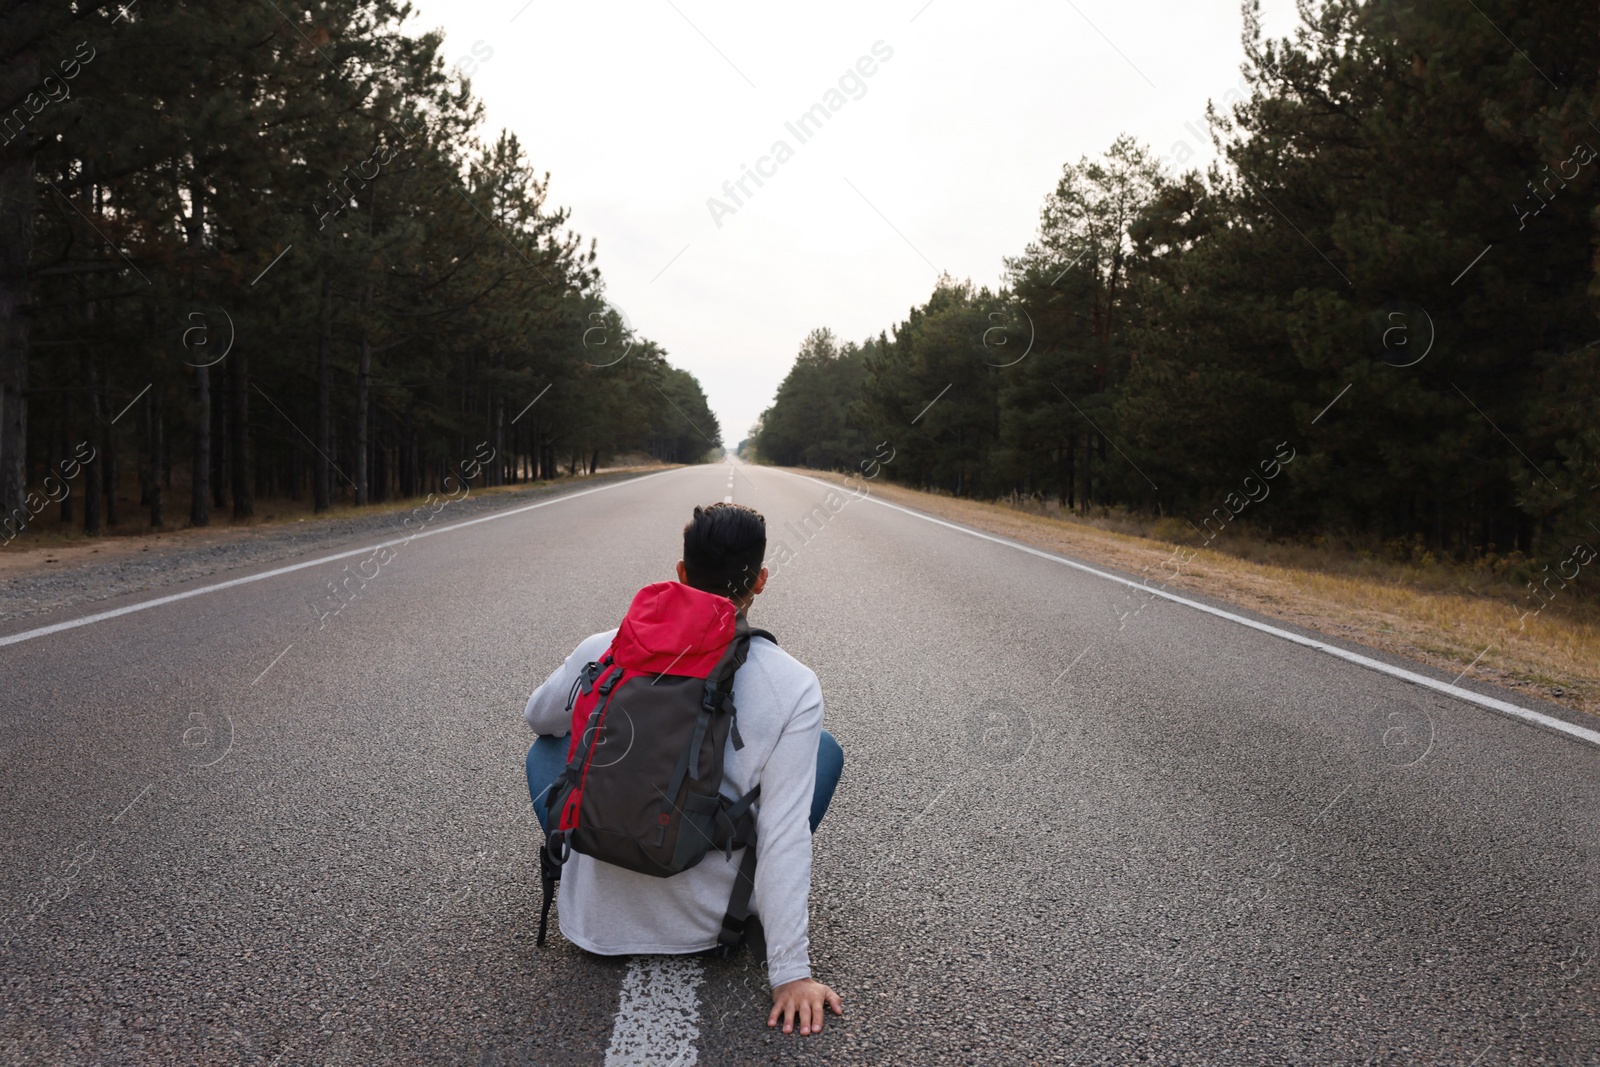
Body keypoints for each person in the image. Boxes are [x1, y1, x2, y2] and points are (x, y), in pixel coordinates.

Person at [523, 502, 846, 1036]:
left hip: (592, 928)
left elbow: (539, 716)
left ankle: (601, 855)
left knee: (546, 749)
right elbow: (786, 831)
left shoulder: (606, 645)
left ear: (681, 572)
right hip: (715, 923)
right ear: (760, 581)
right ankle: (749, 897)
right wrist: (791, 974)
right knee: (823, 750)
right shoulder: (793, 683)